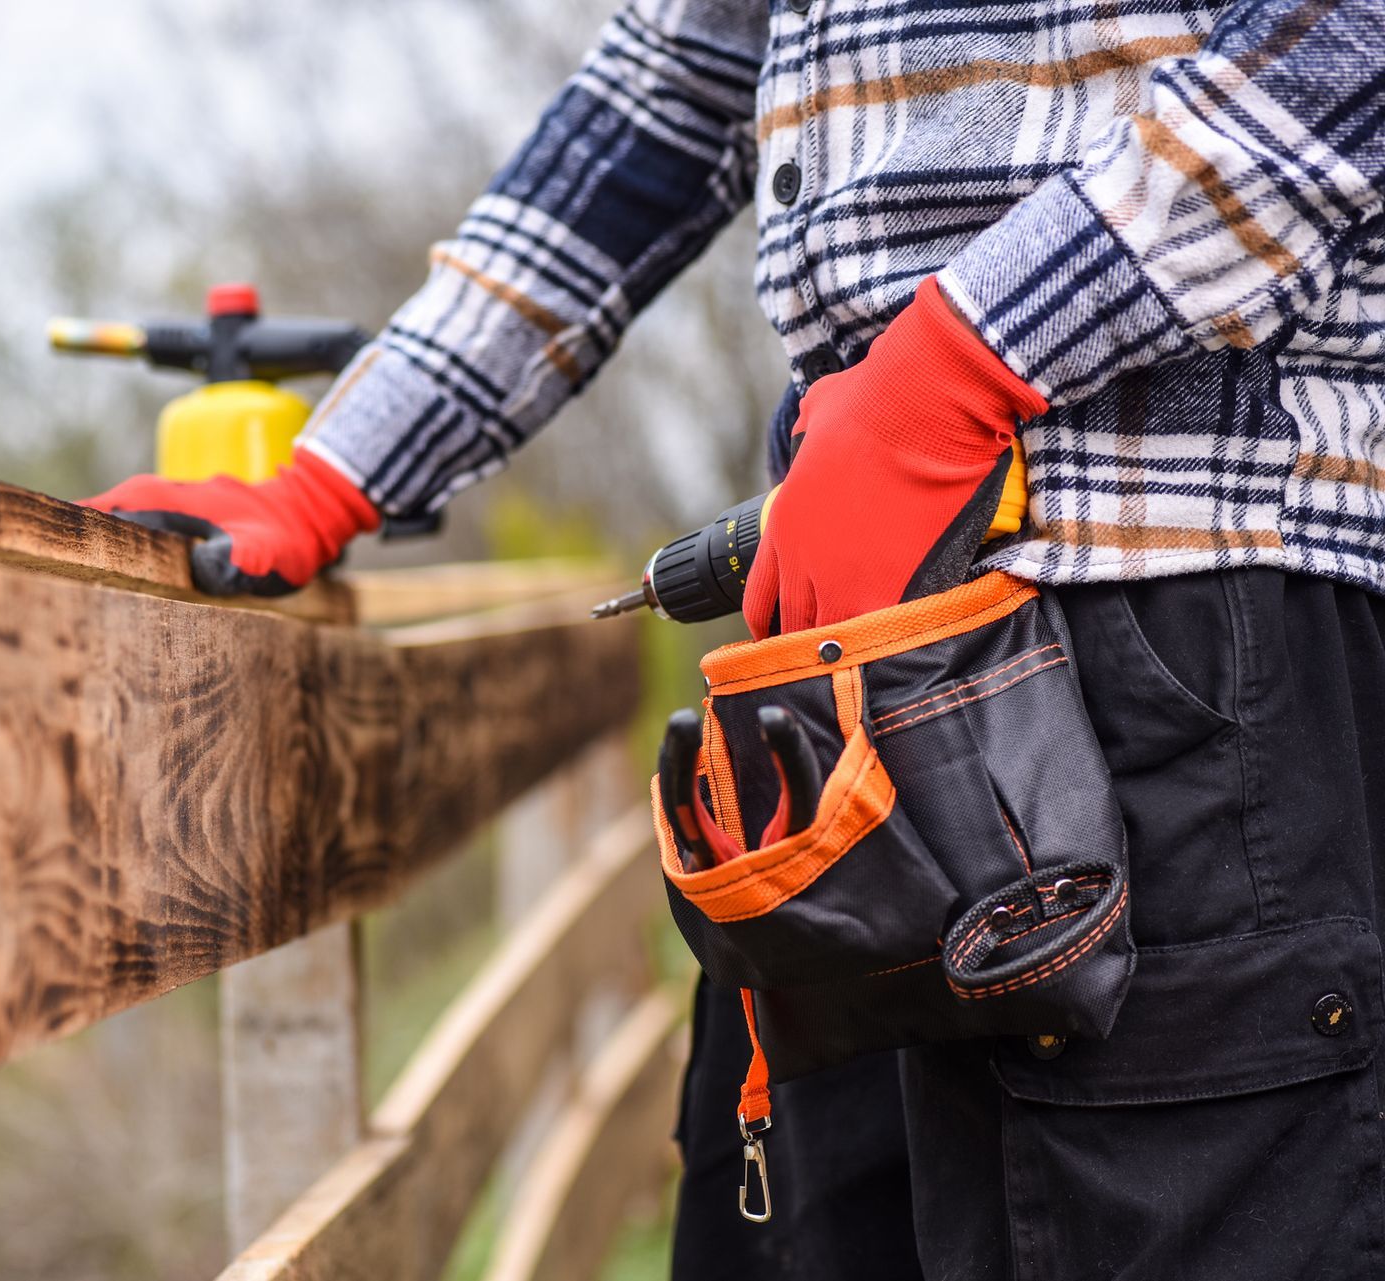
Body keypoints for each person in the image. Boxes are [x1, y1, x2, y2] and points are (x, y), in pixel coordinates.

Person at [89, 1, 1385, 1276]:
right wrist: (338, 471)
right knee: (782, 1218)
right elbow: (662, 93)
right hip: (839, 662)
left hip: (1174, 620)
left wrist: (965, 365)